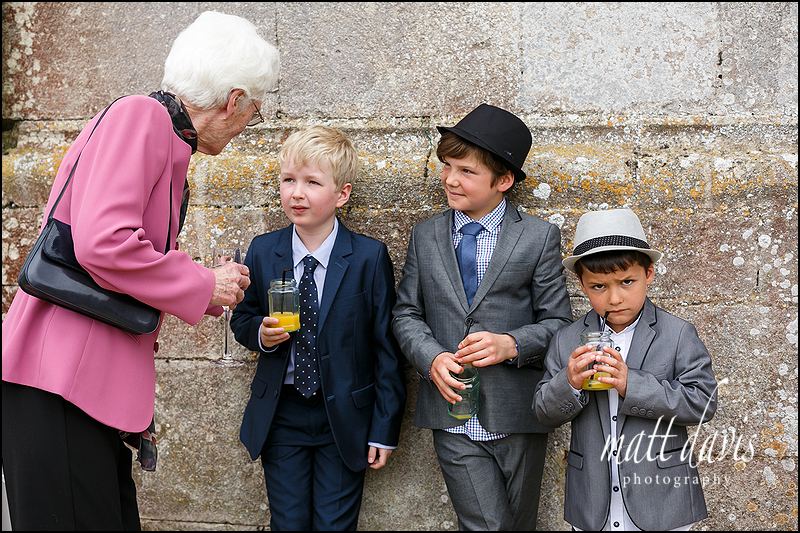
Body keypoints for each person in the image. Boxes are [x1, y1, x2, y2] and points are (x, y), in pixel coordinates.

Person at [1, 11, 279, 531]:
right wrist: (203, 283)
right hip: (59, 381)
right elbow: (103, 244)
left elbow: (115, 249)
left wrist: (204, 286)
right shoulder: (143, 117)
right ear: (234, 99)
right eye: (255, 112)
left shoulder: (163, 134)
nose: (247, 125)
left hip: (75, 384)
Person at [392, 103, 573, 530]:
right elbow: (406, 313)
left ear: (504, 180)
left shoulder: (537, 237)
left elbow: (560, 324)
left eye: (466, 171)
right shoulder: (426, 235)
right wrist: (432, 358)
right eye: (447, 166)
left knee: (519, 524)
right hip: (452, 412)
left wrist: (511, 344)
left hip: (518, 413)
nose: (450, 179)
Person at [231, 126, 406, 531]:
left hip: (343, 417)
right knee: (288, 521)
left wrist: (384, 429)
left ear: (342, 194)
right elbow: (243, 319)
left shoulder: (367, 257)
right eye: (288, 180)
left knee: (334, 524)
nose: (296, 193)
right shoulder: (264, 250)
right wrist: (261, 334)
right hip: (283, 413)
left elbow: (386, 349)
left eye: (312, 182)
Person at [533, 208, 718, 531]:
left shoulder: (677, 334)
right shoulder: (566, 339)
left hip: (663, 501)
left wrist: (631, 383)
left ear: (649, 273)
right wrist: (569, 382)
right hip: (592, 501)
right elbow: (542, 412)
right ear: (582, 284)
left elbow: (703, 403)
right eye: (598, 287)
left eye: (627, 282)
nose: (615, 298)